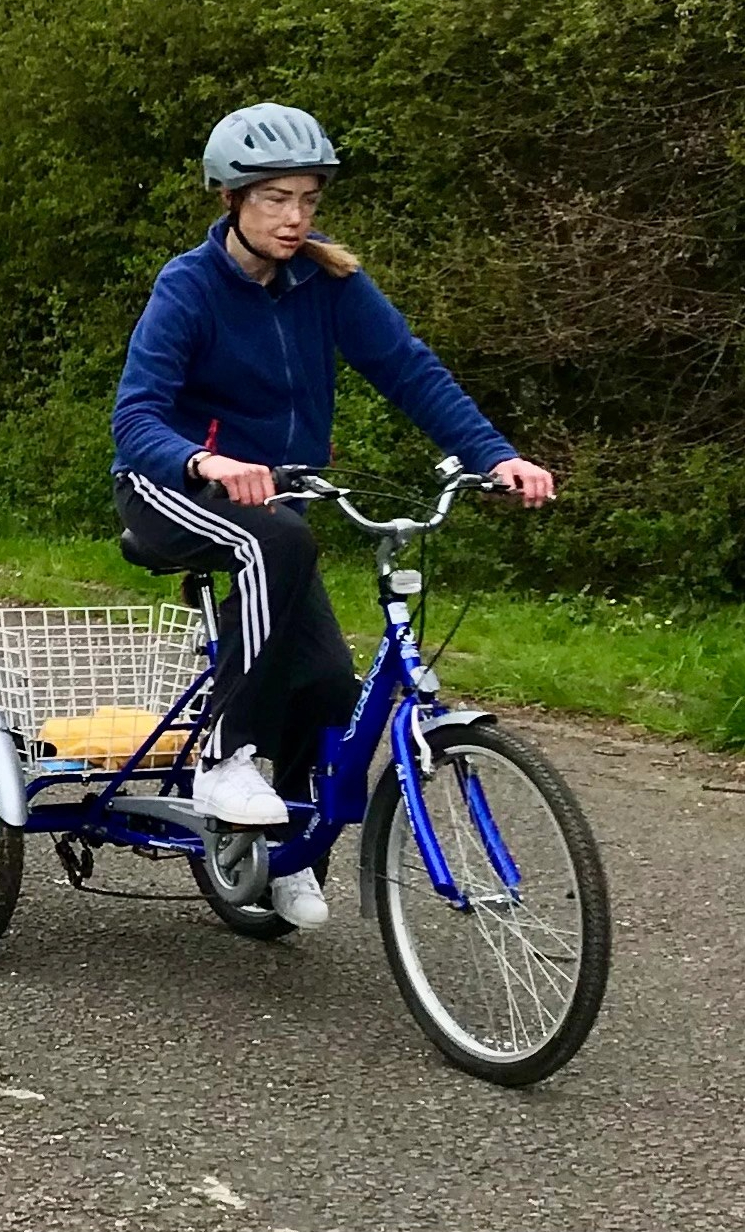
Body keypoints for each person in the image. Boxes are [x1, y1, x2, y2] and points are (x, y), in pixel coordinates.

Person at [111, 102, 554, 929]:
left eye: (308, 199)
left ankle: (284, 858)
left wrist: (497, 456)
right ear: (231, 199)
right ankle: (228, 758)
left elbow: (411, 371)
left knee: (327, 685)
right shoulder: (190, 286)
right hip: (170, 484)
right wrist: (206, 461)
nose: (295, 217)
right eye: (276, 198)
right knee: (279, 540)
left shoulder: (330, 284)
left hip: (275, 502)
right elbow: (135, 418)